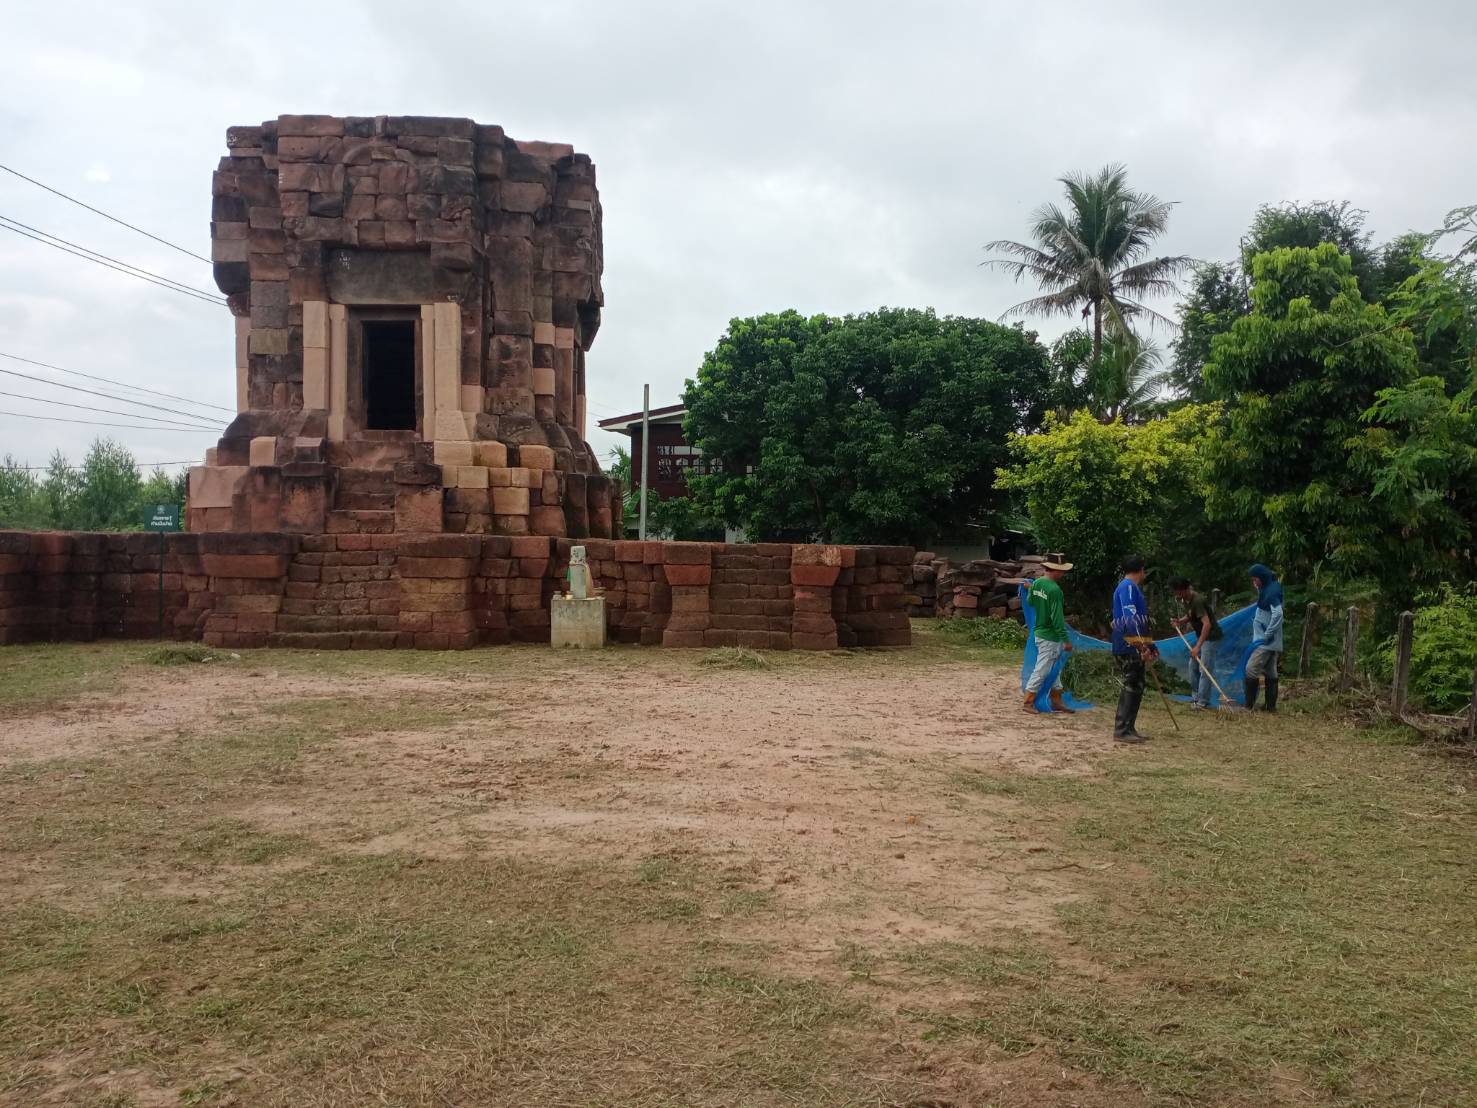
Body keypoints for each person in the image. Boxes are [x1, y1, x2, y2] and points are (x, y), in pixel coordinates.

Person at [1111, 554, 1157, 743]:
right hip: (1129, 645)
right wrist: (1141, 646)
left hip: (1133, 644)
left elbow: (1139, 621)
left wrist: (1150, 644)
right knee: (1132, 684)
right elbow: (1131, 621)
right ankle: (1122, 730)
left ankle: (1129, 727)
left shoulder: (1130, 588)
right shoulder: (1128, 588)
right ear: (1141, 569)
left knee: (1137, 685)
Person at [1023, 555, 1075, 714]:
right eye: (1062, 571)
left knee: (1054, 668)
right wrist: (1066, 640)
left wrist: (1029, 589)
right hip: (1050, 637)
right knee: (1043, 669)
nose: (1064, 574)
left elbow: (1031, 601)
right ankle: (1028, 701)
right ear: (1056, 570)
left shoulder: (1037, 583)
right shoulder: (1054, 590)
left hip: (1040, 632)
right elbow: (1057, 619)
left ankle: (1056, 701)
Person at [1170, 576, 1222, 709]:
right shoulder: (1185, 600)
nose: (1178, 595)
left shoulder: (1198, 600)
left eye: (1180, 592)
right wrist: (1180, 621)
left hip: (1210, 637)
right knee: (1192, 666)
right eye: (1176, 592)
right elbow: (1190, 615)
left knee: (1204, 668)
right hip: (1202, 636)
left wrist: (1198, 646)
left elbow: (1207, 625)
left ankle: (1202, 702)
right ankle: (1196, 697)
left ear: (1187, 589)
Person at [1246, 563, 1284, 711]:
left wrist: (1268, 633)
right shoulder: (1268, 587)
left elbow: (1278, 613)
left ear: (1262, 577)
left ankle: (1249, 706)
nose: (1254, 582)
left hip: (1266, 641)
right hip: (1269, 639)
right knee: (1270, 671)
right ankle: (1270, 707)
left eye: (1255, 579)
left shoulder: (1272, 592)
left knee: (1251, 669)